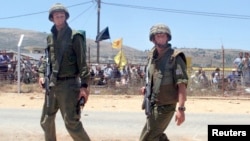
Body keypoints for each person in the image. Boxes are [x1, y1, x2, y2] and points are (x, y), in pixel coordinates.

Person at [38, 3, 91, 141]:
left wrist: (84, 87)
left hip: (69, 85)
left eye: (62, 15)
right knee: (46, 120)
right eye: (56, 15)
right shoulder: (50, 37)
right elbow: (47, 59)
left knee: (71, 123)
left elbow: (82, 62)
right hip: (52, 85)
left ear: (66, 17)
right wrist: (42, 75)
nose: (59, 17)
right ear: (52, 18)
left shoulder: (75, 36)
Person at [139, 23, 188, 141]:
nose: (161, 39)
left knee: (147, 138)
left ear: (167, 38)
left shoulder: (175, 57)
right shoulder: (151, 57)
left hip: (166, 106)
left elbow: (182, 85)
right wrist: (147, 88)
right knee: (157, 136)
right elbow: (153, 78)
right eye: (158, 36)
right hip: (153, 103)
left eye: (163, 36)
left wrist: (181, 109)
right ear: (153, 39)